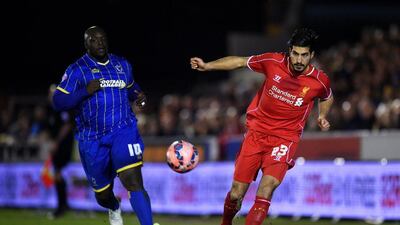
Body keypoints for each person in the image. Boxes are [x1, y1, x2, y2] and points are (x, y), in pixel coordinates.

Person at [190, 28, 333, 225]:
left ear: (312, 55)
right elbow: (240, 61)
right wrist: (208, 66)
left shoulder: (319, 81)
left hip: (285, 139)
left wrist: (322, 115)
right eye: (296, 54)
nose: (299, 60)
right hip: (256, 134)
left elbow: (327, 96)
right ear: (289, 51)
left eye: (304, 55)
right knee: (236, 194)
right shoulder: (272, 62)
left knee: (266, 188)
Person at [52, 26, 153, 225]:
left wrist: (140, 97)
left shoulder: (122, 64)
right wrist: (84, 91)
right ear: (86, 44)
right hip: (92, 139)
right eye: (94, 40)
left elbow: (133, 89)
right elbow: (57, 102)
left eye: (102, 38)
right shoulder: (77, 69)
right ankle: (114, 206)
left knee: (132, 179)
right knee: (103, 195)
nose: (100, 43)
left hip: (123, 130)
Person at [48, 84, 75, 219]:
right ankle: (63, 205)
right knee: (58, 174)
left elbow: (67, 125)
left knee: (58, 173)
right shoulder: (53, 110)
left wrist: (56, 142)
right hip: (58, 146)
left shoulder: (61, 108)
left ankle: (61, 208)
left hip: (63, 146)